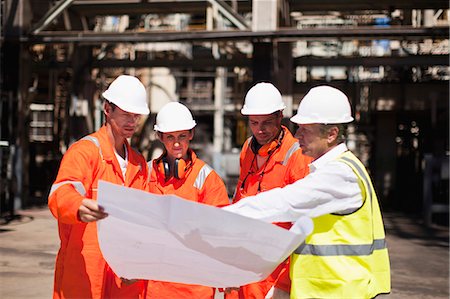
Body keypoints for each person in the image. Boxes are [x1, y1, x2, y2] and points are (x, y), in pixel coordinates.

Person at [224, 85, 391, 299]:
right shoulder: (338, 168)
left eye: (306, 130)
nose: (297, 135)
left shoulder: (339, 175)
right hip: (326, 289)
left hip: (339, 291)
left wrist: (223, 216)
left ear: (331, 134)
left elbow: (284, 203)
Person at [48, 75, 150, 299]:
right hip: (84, 267)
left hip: (122, 273)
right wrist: (77, 205)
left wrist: (137, 261)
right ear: (107, 109)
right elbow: (61, 191)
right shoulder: (85, 151)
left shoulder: (138, 163)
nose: (132, 121)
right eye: (125, 114)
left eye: (136, 116)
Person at [226, 82, 312, 299]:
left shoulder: (297, 157)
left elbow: (303, 228)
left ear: (280, 116)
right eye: (254, 123)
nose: (259, 130)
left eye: (266, 123)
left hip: (274, 273)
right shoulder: (248, 149)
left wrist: (283, 284)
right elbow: (241, 199)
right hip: (244, 265)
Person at [146, 102, 230, 299]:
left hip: (194, 286)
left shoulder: (207, 178)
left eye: (182, 136)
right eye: (170, 137)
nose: (177, 144)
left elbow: (221, 231)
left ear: (191, 134)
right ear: (160, 137)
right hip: (154, 285)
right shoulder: (145, 174)